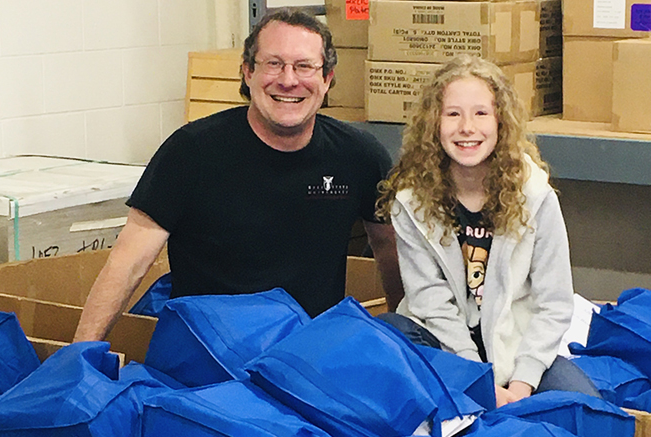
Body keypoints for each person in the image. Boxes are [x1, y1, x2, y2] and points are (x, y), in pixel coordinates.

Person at [74, 8, 402, 343]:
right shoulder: (190, 153)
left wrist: (403, 341)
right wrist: (79, 354)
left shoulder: (358, 156)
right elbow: (127, 263)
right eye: (273, 64)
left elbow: (391, 253)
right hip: (208, 354)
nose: (288, 80)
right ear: (247, 72)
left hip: (307, 357)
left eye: (304, 66)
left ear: (327, 78)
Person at [375, 55, 599, 407]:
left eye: (481, 113)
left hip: (517, 347)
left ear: (500, 121)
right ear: (434, 123)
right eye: (452, 114)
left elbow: (554, 302)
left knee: (586, 408)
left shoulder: (535, 196)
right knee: (391, 332)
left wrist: (523, 383)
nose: (467, 127)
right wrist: (475, 378)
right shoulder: (411, 201)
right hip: (443, 345)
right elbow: (428, 302)